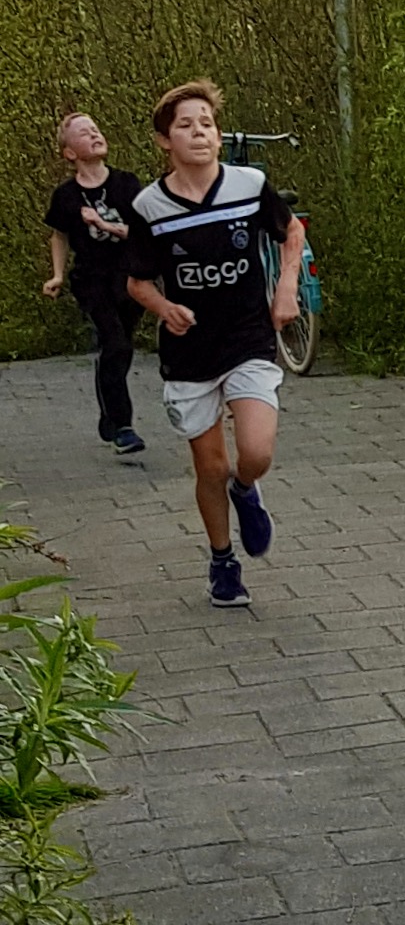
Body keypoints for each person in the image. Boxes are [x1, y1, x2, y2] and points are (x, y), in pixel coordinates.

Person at [125, 80, 305, 610]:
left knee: (256, 452)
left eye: (207, 123)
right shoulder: (148, 206)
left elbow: (292, 232)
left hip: (248, 336)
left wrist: (286, 288)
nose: (199, 132)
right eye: (186, 125)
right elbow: (137, 282)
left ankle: (246, 490)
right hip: (190, 351)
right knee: (209, 468)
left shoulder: (250, 185)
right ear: (165, 140)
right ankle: (223, 561)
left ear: (219, 135)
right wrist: (164, 308)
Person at [42, 112, 145, 454]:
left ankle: (109, 414)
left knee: (121, 347)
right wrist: (57, 275)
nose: (95, 135)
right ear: (70, 153)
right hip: (91, 280)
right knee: (115, 344)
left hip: (129, 277)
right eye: (85, 133)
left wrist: (105, 224)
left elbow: (142, 233)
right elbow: (59, 236)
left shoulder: (126, 184)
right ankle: (124, 427)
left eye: (96, 130)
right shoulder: (66, 196)